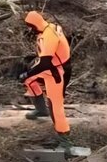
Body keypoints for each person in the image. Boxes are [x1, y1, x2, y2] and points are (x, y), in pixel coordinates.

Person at [19, 10, 72, 148]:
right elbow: (46, 57)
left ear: (35, 25)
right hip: (51, 66)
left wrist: (28, 73)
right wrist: (29, 72)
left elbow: (45, 63)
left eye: (31, 26)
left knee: (55, 106)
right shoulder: (48, 27)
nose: (30, 30)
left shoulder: (48, 36)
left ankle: (65, 140)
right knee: (29, 81)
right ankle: (41, 110)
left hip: (56, 72)